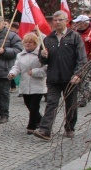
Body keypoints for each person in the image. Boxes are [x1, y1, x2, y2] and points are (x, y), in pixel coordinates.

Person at [33, 11, 87, 140]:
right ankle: (45, 130)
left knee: (70, 104)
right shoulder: (47, 39)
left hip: (71, 78)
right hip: (53, 78)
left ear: (66, 21)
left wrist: (78, 74)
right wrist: (43, 56)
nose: (57, 22)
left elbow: (82, 59)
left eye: (60, 20)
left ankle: (69, 128)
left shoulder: (74, 37)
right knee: (51, 103)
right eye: (55, 20)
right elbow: (42, 60)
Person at [8, 32, 47, 134]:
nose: (27, 44)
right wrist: (12, 73)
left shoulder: (41, 54)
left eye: (30, 42)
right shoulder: (20, 55)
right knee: (28, 103)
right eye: (26, 42)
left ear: (35, 43)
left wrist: (34, 72)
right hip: (25, 84)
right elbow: (17, 67)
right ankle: (41, 120)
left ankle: (31, 126)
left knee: (34, 106)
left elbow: (46, 69)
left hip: (37, 84)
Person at [72, 14, 91, 106]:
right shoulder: (75, 32)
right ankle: (88, 94)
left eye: (78, 23)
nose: (76, 24)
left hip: (90, 60)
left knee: (84, 79)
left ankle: (82, 99)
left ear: (84, 23)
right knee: (80, 78)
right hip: (78, 59)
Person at [8, 22, 21, 93]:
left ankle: (14, 85)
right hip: (10, 55)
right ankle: (13, 85)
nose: (10, 29)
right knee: (11, 70)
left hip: (16, 55)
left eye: (11, 28)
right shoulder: (7, 35)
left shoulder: (17, 36)